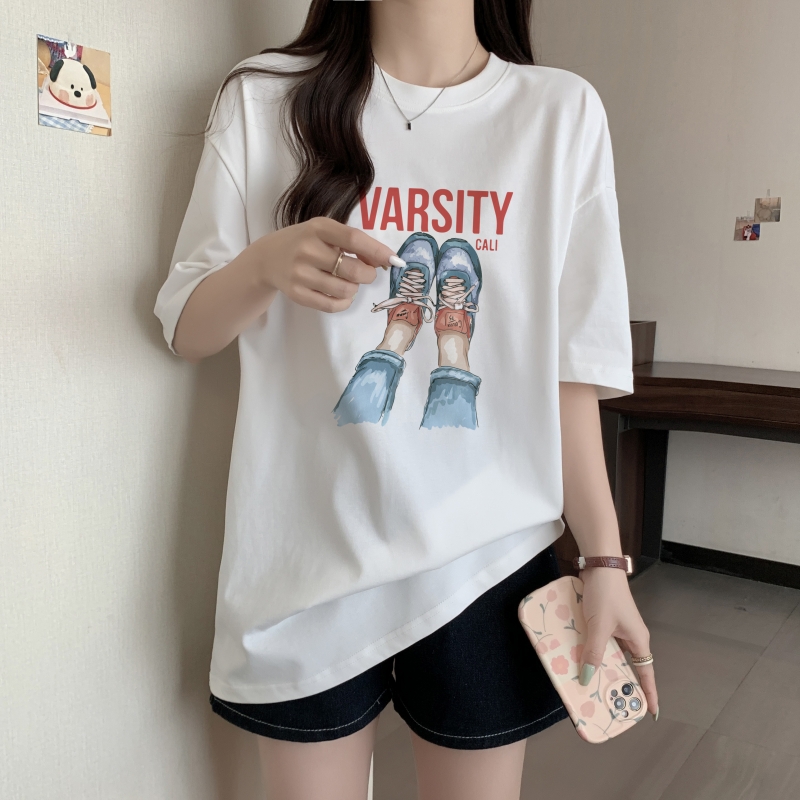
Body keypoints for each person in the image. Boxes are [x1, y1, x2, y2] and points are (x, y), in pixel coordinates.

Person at [154, 1, 659, 797]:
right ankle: (411, 340)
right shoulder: (264, 98)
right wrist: (264, 265)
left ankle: (419, 339)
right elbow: (186, 328)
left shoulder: (560, 112)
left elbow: (568, 370)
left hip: (488, 559)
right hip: (306, 558)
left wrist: (604, 558)